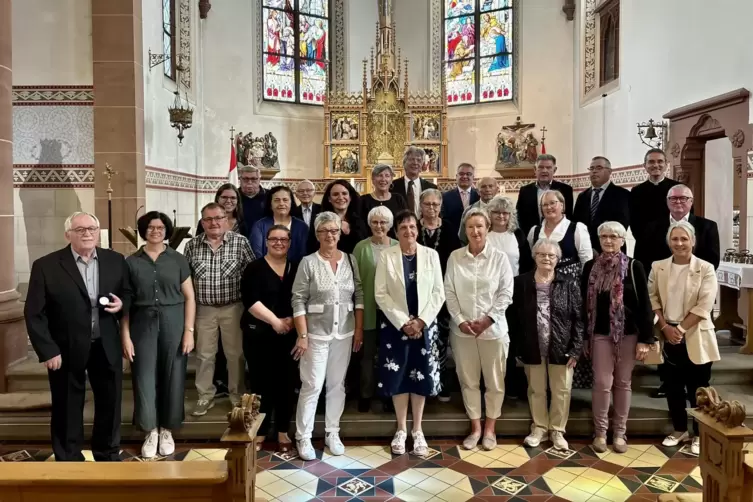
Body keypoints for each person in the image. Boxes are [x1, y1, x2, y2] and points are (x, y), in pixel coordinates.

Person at [25, 211, 131, 462]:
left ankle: (107, 453)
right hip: (65, 347)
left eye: (91, 229)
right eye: (80, 229)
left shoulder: (116, 260)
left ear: (98, 232)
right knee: (67, 404)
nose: (87, 234)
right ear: (68, 234)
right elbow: (34, 313)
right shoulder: (46, 265)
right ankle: (69, 456)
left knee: (109, 402)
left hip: (106, 343)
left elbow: (128, 293)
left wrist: (122, 305)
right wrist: (48, 349)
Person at [122, 211, 195, 459]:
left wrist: (189, 331)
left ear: (167, 230)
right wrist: (126, 336)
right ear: (143, 231)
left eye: (161, 227)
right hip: (141, 324)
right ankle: (150, 430)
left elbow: (190, 298)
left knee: (173, 375)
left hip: (173, 321)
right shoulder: (131, 262)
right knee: (143, 377)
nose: (156, 231)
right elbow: (125, 303)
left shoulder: (177, 260)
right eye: (151, 227)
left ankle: (167, 430)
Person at [292, 212, 364, 461]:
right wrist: (302, 335)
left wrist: (359, 329)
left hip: (344, 332)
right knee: (312, 385)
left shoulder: (350, 260)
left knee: (336, 385)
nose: (330, 235)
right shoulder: (308, 262)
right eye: (324, 231)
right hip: (315, 334)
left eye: (334, 230)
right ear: (317, 234)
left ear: (339, 232)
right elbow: (298, 299)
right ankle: (304, 436)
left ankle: (333, 432)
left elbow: (359, 297)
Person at [375, 210, 445, 457]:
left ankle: (418, 430)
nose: (408, 231)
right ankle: (401, 430)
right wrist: (405, 322)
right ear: (396, 232)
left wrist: (421, 322)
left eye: (412, 227)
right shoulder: (386, 257)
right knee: (399, 377)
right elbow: (380, 294)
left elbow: (439, 293)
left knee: (421, 375)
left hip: (424, 327)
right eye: (403, 227)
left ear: (418, 229)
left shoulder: (431, 256)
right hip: (396, 327)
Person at [580, 221, 654, 454]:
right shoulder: (590, 267)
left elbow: (645, 305)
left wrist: (646, 339)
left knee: (623, 383)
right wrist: (583, 337)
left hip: (629, 334)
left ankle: (620, 433)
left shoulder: (634, 266)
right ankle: (601, 433)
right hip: (600, 334)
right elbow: (584, 305)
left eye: (614, 236)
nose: (609, 240)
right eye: (604, 236)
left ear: (623, 240)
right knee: (602, 383)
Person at [445, 208, 514, 451]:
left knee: (495, 382)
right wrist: (461, 320)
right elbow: (449, 292)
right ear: (465, 230)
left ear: (488, 229)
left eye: (480, 226)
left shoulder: (499, 258)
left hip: (493, 332)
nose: (476, 231)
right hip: (462, 331)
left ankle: (490, 429)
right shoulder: (455, 257)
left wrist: (488, 320)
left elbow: (506, 293)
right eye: (471, 227)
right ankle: (475, 427)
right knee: (469, 381)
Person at [649, 221, 719, 456]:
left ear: (693, 241)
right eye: (675, 239)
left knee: (699, 388)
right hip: (667, 334)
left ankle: (699, 434)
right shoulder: (658, 267)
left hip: (695, 333)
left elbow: (705, 304)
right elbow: (652, 300)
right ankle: (679, 430)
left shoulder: (706, 268)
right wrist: (666, 327)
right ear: (669, 241)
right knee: (673, 386)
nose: (679, 243)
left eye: (684, 239)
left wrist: (679, 328)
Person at [508, 238, 584, 451]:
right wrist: (518, 346)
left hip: (562, 346)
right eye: (542, 254)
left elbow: (579, 318)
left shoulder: (569, 282)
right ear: (535, 257)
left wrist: (576, 348)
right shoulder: (521, 282)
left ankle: (558, 431)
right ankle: (539, 428)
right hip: (532, 346)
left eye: (551, 255)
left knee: (561, 390)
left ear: (558, 259)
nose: (546, 259)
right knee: (536, 389)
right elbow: (514, 318)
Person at [184, 202, 255, 416]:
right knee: (205, 355)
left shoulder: (240, 243)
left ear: (226, 219)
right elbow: (186, 280)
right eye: (208, 219)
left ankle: (237, 397)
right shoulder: (192, 246)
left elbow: (251, 275)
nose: (213, 223)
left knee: (235, 355)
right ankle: (205, 396)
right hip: (204, 310)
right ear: (202, 222)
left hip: (233, 307)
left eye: (218, 218)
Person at [242, 225, 299, 453]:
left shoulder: (296, 267)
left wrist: (293, 321)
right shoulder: (254, 268)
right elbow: (250, 300)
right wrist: (275, 321)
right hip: (259, 334)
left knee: (287, 384)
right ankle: (261, 430)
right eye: (274, 239)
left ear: (290, 242)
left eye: (283, 239)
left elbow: (304, 297)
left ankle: (284, 430)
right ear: (266, 241)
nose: (279, 243)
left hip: (290, 335)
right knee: (260, 384)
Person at [418, 189, 462, 402]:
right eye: (427, 204)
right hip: (417, 292)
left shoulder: (451, 229)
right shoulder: (413, 228)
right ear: (420, 205)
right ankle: (422, 382)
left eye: (435, 204)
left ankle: (441, 381)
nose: (432, 208)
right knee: (421, 340)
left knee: (441, 341)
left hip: (443, 292)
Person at [352, 206, 398, 413]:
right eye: (375, 222)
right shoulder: (360, 248)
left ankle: (389, 393)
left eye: (383, 222)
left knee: (391, 354)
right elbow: (356, 281)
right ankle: (366, 394)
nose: (379, 226)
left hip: (393, 311)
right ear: (369, 224)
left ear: (390, 225)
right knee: (367, 355)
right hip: (368, 309)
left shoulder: (398, 246)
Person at [635, 184, 720, 271]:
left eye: (683, 198)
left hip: (695, 279)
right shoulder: (651, 227)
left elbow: (713, 260)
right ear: (667, 201)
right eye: (673, 198)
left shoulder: (708, 227)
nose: (678, 201)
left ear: (691, 201)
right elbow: (642, 257)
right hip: (661, 279)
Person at [527, 190, 592, 279]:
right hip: (540, 284)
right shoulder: (534, 231)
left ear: (562, 205)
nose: (549, 207)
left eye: (552, 203)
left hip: (569, 285)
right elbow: (531, 259)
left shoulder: (577, 229)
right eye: (545, 205)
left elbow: (587, 262)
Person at [572, 157, 630, 253]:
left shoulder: (622, 194)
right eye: (592, 168)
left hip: (612, 250)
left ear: (609, 171)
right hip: (585, 250)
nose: (594, 171)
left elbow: (622, 224)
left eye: (599, 168)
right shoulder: (582, 196)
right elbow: (577, 224)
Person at [629, 148, 682, 249]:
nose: (656, 165)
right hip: (644, 246)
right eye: (651, 162)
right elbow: (633, 221)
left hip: (672, 245)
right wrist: (643, 238)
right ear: (645, 166)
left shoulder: (678, 188)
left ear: (666, 164)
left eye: (660, 161)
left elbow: (686, 217)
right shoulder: (636, 191)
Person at [516, 154, 574, 236]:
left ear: (554, 170)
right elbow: (519, 216)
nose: (544, 170)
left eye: (548, 167)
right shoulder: (525, 191)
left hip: (559, 236)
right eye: (541, 167)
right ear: (535, 169)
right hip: (531, 237)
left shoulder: (566, 190)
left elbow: (569, 215)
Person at [307, 179, 367, 254]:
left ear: (350, 197)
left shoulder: (359, 221)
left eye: (344, 193)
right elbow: (312, 247)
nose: (340, 197)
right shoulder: (319, 221)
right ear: (329, 199)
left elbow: (364, 247)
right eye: (335, 194)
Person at [251, 185, 308, 262]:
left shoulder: (302, 227)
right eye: (277, 200)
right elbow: (257, 255)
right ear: (270, 204)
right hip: (265, 271)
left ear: (291, 203)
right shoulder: (259, 226)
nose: (281, 203)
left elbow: (304, 254)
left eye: (285, 200)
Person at [483, 196, 533, 276]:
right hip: (489, 284)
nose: (501, 216)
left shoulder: (518, 234)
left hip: (515, 283)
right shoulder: (483, 234)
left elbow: (527, 263)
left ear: (511, 215)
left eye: (505, 213)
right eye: (497, 212)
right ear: (489, 214)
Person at [360, 164, 408, 234]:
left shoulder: (398, 199)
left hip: (395, 242)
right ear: (373, 179)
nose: (383, 179)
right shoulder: (363, 200)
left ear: (391, 180)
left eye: (387, 176)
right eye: (380, 175)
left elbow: (405, 221)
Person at [391, 146, 438, 216]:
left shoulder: (431, 188)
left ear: (422, 165)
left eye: (419, 160)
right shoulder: (393, 186)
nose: (415, 163)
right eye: (411, 159)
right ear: (404, 163)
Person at [442, 163, 480, 239]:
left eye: (468, 174)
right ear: (456, 176)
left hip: (475, 236)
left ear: (473, 177)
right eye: (461, 174)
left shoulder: (479, 196)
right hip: (452, 238)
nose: (465, 176)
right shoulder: (445, 196)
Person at [458, 176, 500, 244]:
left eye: (490, 186)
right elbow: (462, 237)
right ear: (477, 191)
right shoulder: (469, 210)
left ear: (497, 189)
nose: (487, 189)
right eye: (483, 187)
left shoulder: (505, 210)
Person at [239, 165, 267, 232]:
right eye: (246, 179)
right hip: (238, 238)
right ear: (240, 179)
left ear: (259, 179)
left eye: (254, 179)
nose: (249, 182)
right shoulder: (234, 196)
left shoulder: (269, 195)